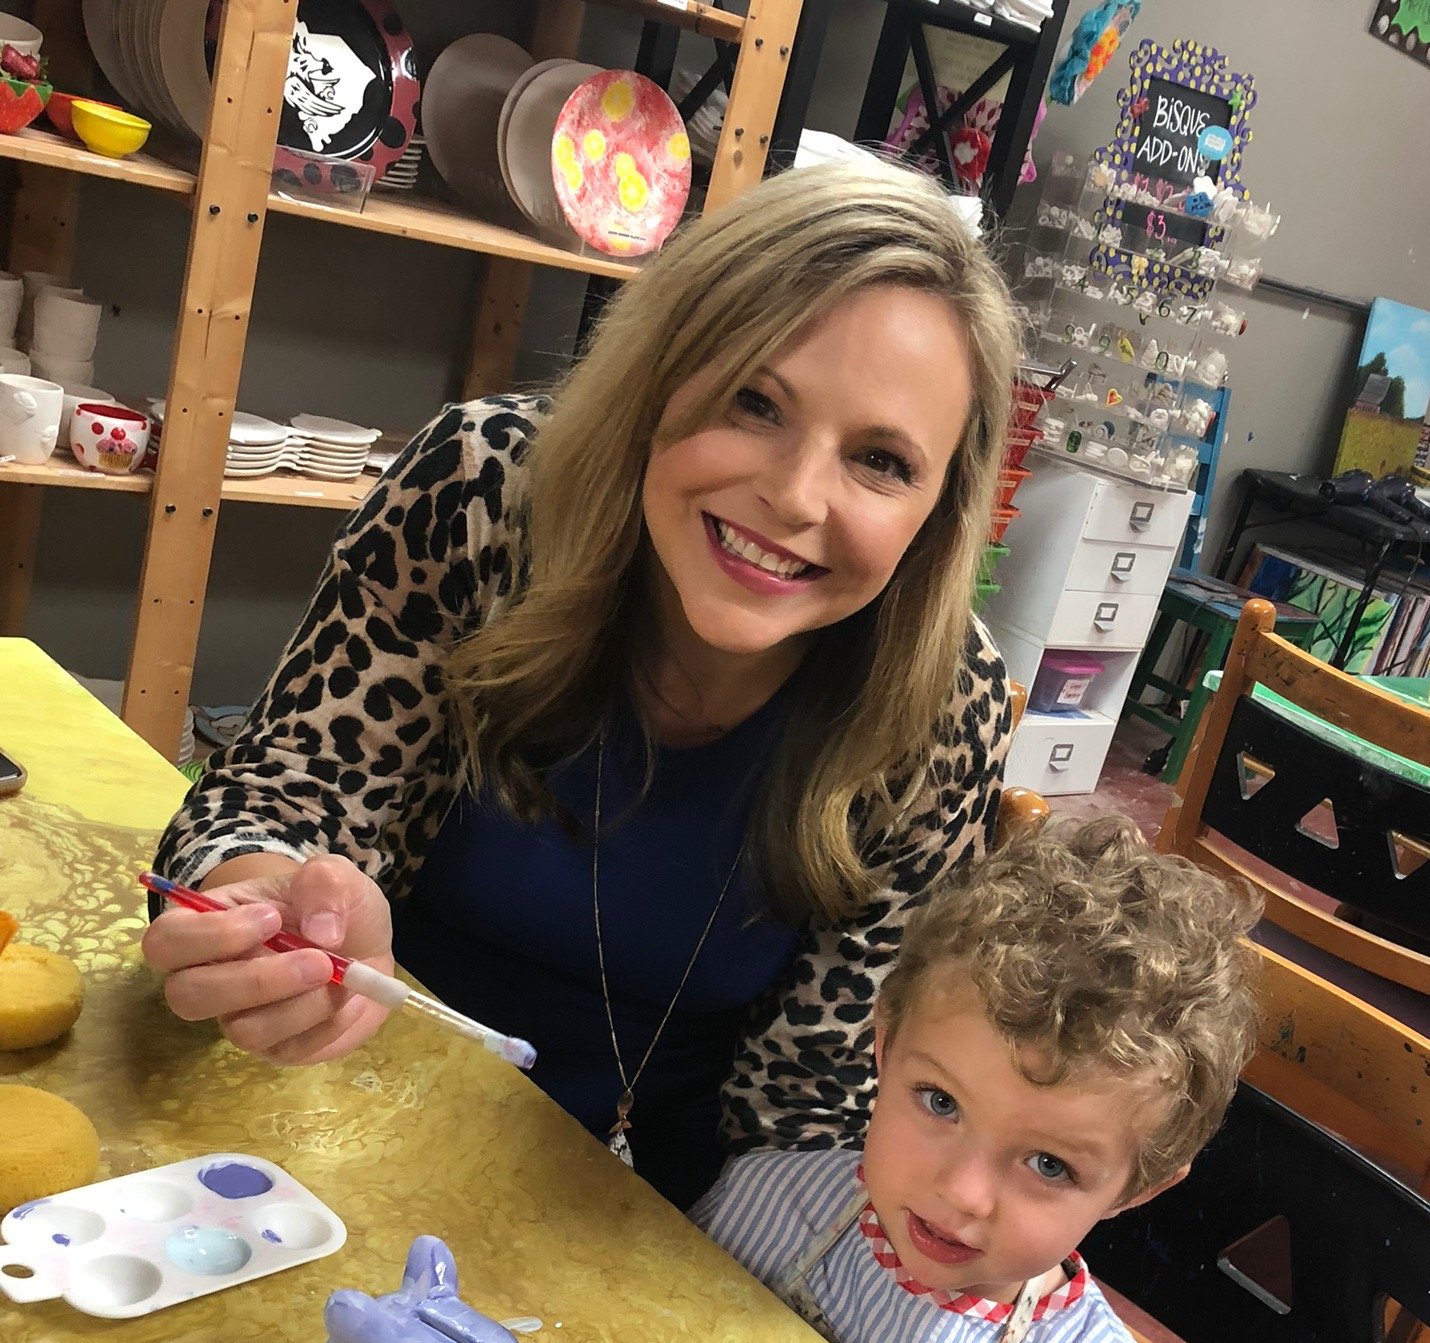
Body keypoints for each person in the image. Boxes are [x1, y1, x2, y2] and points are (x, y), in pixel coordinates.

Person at [144, 160, 1023, 1208]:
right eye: (753, 400)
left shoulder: (941, 706)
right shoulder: (480, 490)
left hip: (641, 1213)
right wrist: (270, 905)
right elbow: (284, 791)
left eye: (880, 460)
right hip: (309, 1118)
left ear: (940, 506)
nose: (793, 495)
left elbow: (811, 1102)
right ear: (661, 374)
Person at [692, 817, 1259, 1343]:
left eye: (1050, 1164)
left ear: (1138, 1190)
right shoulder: (769, 1197)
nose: (962, 1193)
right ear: (883, 1049)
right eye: (938, 1101)